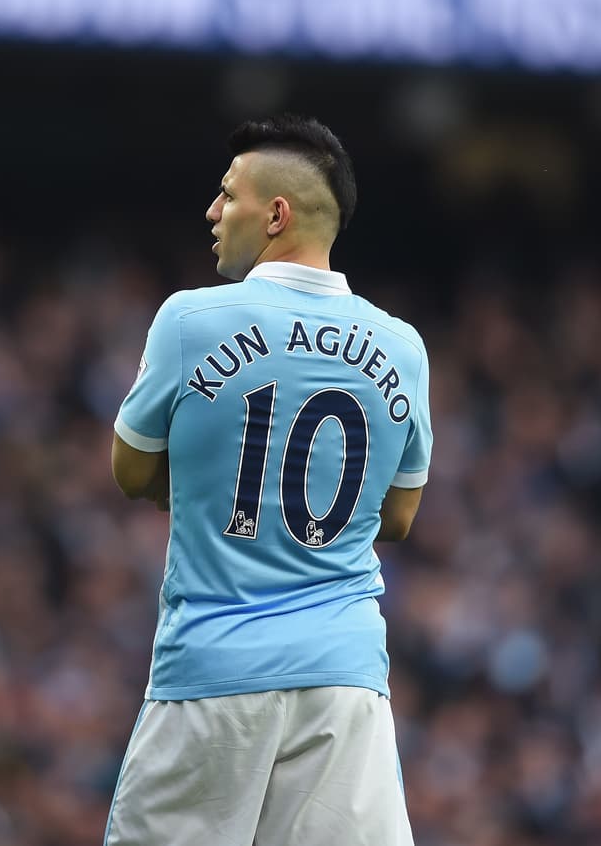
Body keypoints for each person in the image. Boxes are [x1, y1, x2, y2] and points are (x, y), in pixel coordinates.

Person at [105, 114, 429, 846]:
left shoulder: (189, 319)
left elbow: (130, 471)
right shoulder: (403, 347)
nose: (212, 211)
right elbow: (400, 516)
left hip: (211, 674)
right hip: (345, 683)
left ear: (276, 214)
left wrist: (207, 488)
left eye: (228, 194)